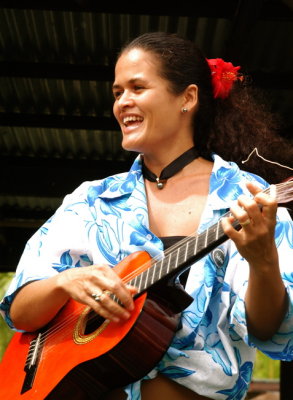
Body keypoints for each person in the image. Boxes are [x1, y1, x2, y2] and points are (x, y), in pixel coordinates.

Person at [1, 32, 292, 400]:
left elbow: (270, 331)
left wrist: (263, 261)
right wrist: (65, 283)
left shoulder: (247, 197)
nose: (123, 102)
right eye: (117, 92)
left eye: (137, 87)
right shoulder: (91, 200)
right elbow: (21, 313)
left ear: (187, 97)